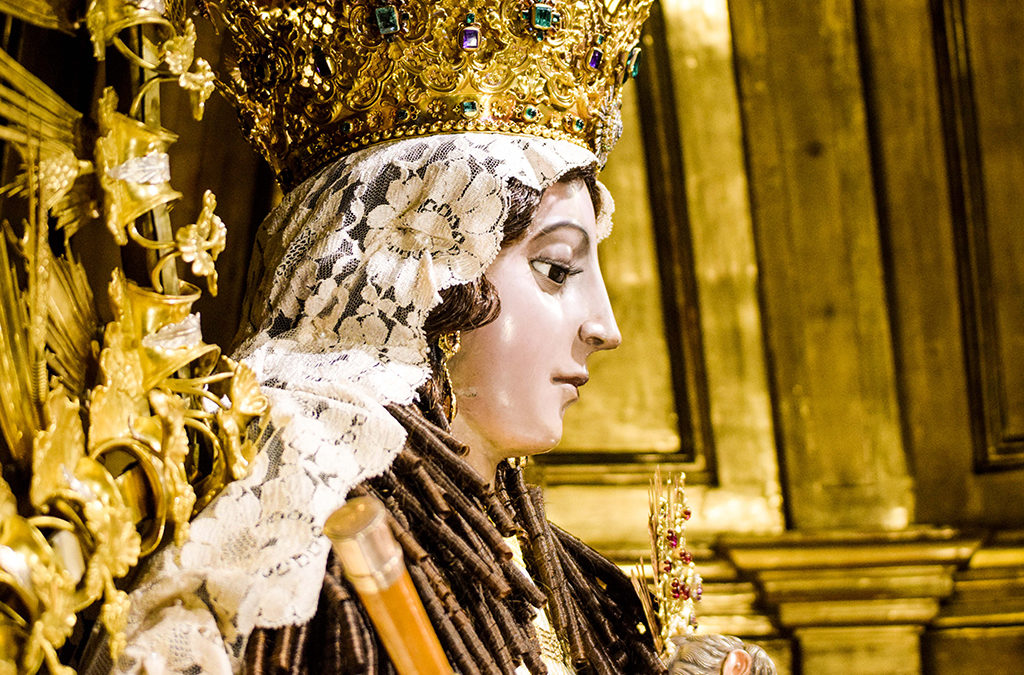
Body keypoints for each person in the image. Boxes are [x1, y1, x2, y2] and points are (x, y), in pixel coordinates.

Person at [77, 0, 675, 671]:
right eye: (557, 269)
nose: (605, 327)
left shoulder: (518, 552)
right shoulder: (294, 539)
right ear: (417, 274)